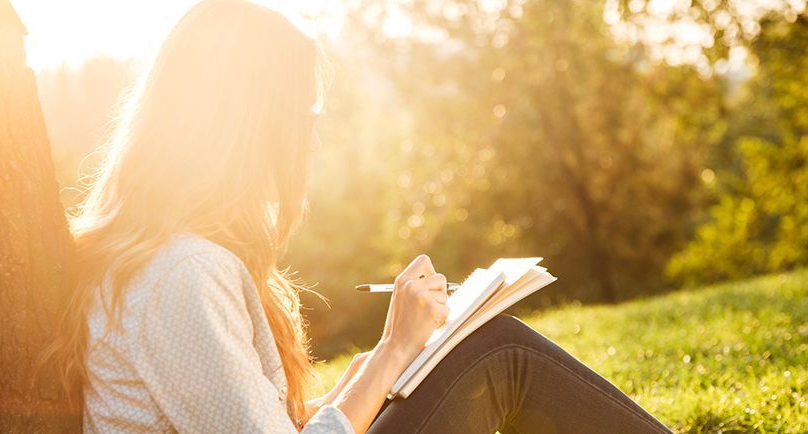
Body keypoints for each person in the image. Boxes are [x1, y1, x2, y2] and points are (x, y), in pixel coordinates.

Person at [48, 1, 672, 433]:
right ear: (249, 126)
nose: (314, 141)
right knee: (500, 353)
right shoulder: (183, 275)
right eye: (307, 117)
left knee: (486, 349)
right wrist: (392, 351)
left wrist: (366, 380)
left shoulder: (173, 261)